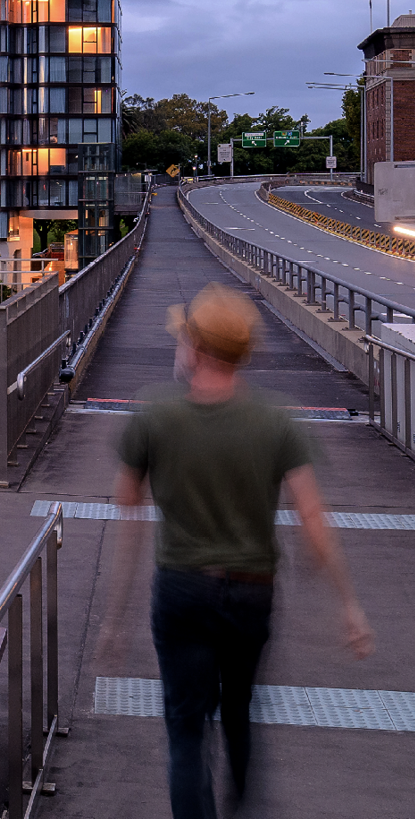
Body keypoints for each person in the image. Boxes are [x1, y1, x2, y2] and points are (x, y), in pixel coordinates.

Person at [110, 283, 373, 819]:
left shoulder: (155, 415)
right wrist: (349, 604)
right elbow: (313, 517)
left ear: (196, 348)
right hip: (252, 593)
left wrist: (113, 619)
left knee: (187, 732)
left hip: (182, 589)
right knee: (238, 709)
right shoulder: (275, 420)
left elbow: (128, 518)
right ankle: (242, 801)